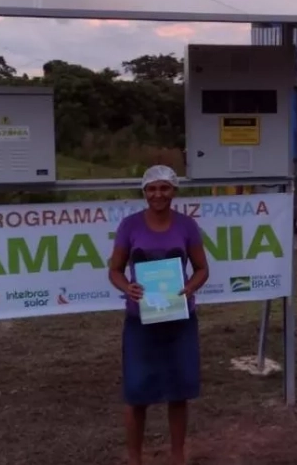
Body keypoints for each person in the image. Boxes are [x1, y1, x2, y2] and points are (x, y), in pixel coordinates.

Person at [108, 165, 209, 465]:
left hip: (180, 320)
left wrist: (189, 288)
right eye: (152, 189)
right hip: (141, 321)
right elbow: (114, 269)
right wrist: (129, 288)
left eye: (164, 188)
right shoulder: (130, 226)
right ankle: (135, 459)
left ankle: (178, 456)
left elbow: (202, 269)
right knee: (137, 393)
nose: (158, 194)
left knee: (179, 392)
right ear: (144, 193)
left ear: (174, 191)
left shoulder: (187, 226)